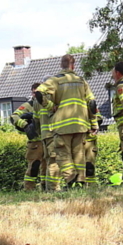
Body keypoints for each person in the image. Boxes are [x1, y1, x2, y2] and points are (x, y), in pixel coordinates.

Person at [36, 55, 95, 189]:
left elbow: (39, 93)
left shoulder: (55, 80)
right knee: (79, 155)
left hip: (62, 126)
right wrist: (94, 123)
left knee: (62, 154)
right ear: (73, 65)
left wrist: (50, 106)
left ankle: (71, 178)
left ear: (60, 65)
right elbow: (92, 103)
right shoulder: (82, 81)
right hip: (80, 125)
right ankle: (80, 182)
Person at [12, 84, 43, 190]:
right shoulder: (28, 105)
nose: (35, 95)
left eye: (38, 93)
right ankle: (29, 189)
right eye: (34, 92)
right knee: (34, 166)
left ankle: (47, 188)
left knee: (48, 166)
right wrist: (25, 126)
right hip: (35, 141)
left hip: (48, 139)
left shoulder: (48, 104)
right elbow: (14, 116)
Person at [85, 97, 102, 183]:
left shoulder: (89, 103)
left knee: (89, 166)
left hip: (89, 139)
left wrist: (92, 127)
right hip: (77, 140)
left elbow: (99, 118)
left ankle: (91, 186)